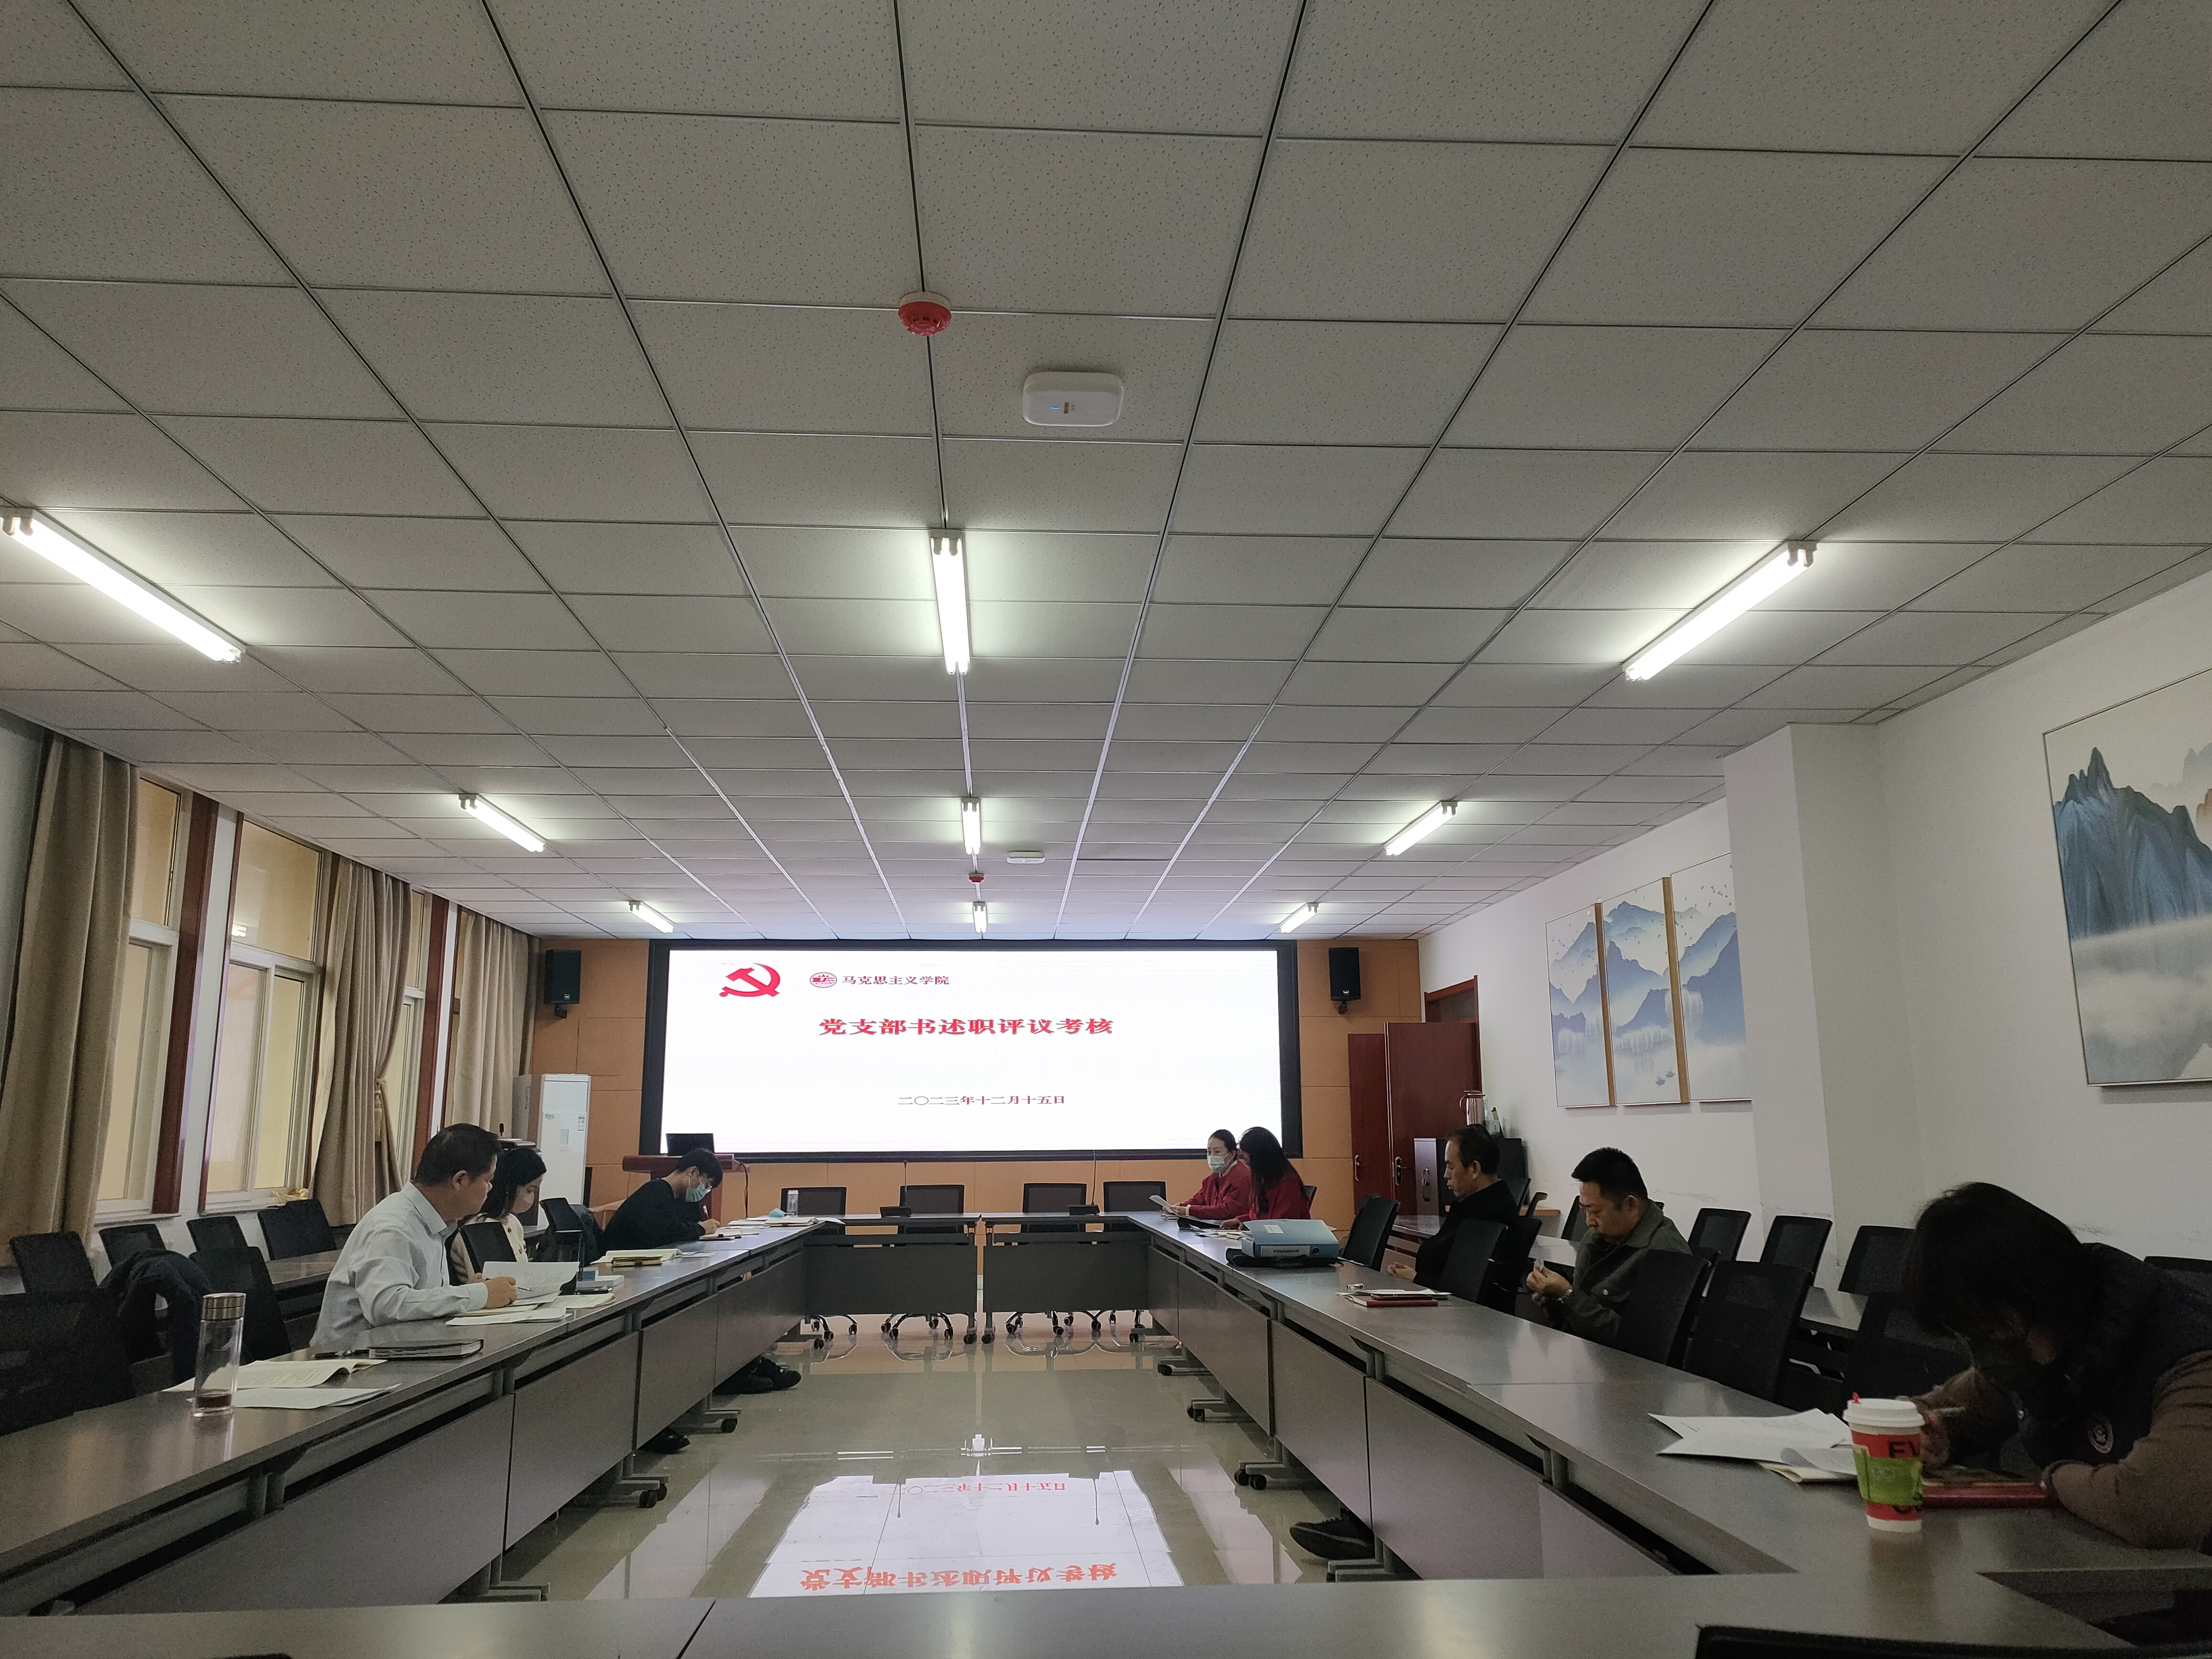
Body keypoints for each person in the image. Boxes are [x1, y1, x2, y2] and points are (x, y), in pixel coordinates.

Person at [1904, 1182, 2212, 1552]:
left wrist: (2052, 1479)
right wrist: (1941, 1433)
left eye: (1992, 1329)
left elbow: (2155, 1508)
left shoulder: (2190, 1357)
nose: (1988, 1348)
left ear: (2039, 1294)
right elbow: (1927, 1412)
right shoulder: (2038, 1343)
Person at [313, 1123, 516, 1351]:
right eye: (488, 1180)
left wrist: (465, 1294)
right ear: (460, 1180)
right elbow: (387, 1306)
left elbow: (416, 1299)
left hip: (397, 1350)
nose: (490, 1188)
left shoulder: (434, 1220)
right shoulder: (394, 1228)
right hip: (350, 1360)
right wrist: (477, 1295)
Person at [1525, 1146, 1689, 1345]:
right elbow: (1576, 1321)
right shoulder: (1595, 1239)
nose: (1589, 1222)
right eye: (1584, 1210)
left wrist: (1568, 1295)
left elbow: (1641, 1344)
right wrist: (1554, 1301)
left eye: (1596, 1212)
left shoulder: (1667, 1254)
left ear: (1630, 1205)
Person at [1387, 1124, 1520, 1287]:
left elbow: (1466, 1285)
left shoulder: (1493, 1215)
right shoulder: (1472, 1206)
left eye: (1451, 1167)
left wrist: (1416, 1279)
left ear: (1475, 1169)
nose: (1446, 1175)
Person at [448, 1144, 546, 1280]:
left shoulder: (513, 1222)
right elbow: (487, 1283)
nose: (531, 1197)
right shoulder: (479, 1228)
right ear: (510, 1186)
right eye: (530, 1190)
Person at [603, 1148, 722, 1249]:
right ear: (692, 1172)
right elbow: (666, 1233)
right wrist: (701, 1229)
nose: (703, 1192)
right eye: (705, 1186)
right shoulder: (655, 1191)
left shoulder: (671, 1196)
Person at [1165, 1128, 1252, 1221]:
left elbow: (1227, 1211)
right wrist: (1177, 1207)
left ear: (1232, 1155)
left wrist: (1189, 1211)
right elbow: (1199, 1200)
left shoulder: (1241, 1177)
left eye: (1217, 1152)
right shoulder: (1213, 1178)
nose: (1212, 1156)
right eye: (1209, 1152)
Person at [1234, 1126, 1311, 1222]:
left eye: (1248, 1161)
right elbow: (1259, 1216)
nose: (1244, 1161)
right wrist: (1242, 1221)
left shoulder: (1288, 1184)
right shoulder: (1263, 1180)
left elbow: (1282, 1224)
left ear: (1260, 1157)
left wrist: (1249, 1225)